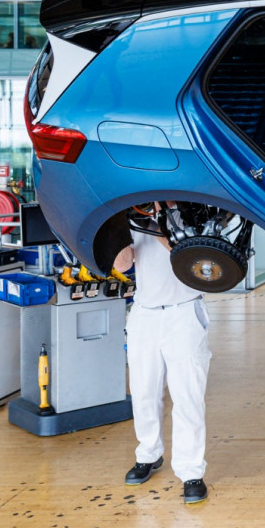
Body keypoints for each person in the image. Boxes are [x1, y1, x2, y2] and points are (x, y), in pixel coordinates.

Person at [113, 205, 212, 505]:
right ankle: (148, 454)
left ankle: (191, 472)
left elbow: (190, 257)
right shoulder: (132, 213)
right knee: (143, 392)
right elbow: (124, 262)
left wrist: (157, 225)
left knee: (187, 396)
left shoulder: (195, 213)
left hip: (184, 312)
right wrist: (112, 232)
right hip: (144, 312)